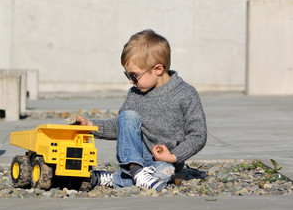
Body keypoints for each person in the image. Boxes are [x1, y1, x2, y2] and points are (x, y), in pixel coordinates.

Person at [77, 29, 207, 191]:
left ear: (158, 69)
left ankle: (116, 178)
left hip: (164, 162)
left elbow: (198, 135)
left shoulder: (186, 94)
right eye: (128, 76)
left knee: (164, 172)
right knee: (127, 116)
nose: (131, 81)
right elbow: (121, 127)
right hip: (135, 159)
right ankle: (136, 172)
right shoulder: (135, 94)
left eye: (134, 75)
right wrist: (90, 126)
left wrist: (173, 156)